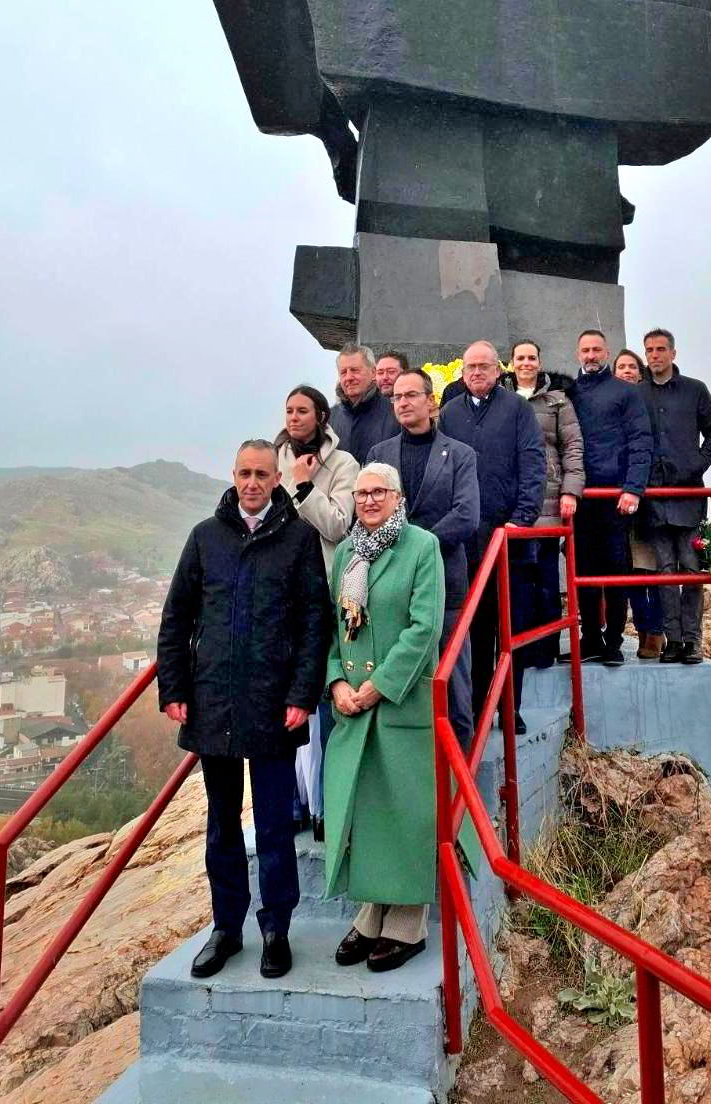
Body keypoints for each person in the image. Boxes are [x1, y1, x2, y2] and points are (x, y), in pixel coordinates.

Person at [157, 440, 330, 981]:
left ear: (277, 478)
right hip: (213, 704)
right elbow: (177, 617)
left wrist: (303, 695)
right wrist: (174, 688)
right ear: (232, 476)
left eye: (262, 474)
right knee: (221, 826)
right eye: (244, 473)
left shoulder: (298, 539)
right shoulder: (205, 538)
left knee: (276, 825)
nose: (252, 483)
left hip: (274, 707)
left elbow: (313, 624)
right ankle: (226, 928)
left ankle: (276, 928)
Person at [323, 463, 444, 972]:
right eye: (361, 493)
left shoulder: (421, 547)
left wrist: (378, 687)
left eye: (379, 492)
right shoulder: (347, 553)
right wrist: (337, 683)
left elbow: (425, 627)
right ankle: (373, 909)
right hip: (355, 704)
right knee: (368, 814)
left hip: (400, 702)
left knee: (405, 810)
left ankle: (407, 919)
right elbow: (335, 629)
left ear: (397, 497)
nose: (369, 500)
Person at [368, 367, 480, 750]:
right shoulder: (378, 455)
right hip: (391, 590)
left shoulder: (461, 455)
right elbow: (369, 516)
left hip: (446, 588)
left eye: (411, 395)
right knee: (401, 689)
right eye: (397, 396)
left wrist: (418, 546)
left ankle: (458, 782)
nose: (403, 402)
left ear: (431, 401)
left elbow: (467, 515)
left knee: (454, 690)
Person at [437, 340, 546, 730]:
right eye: (471, 367)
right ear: (462, 373)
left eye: (484, 366)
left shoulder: (517, 409)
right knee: (478, 631)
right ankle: (482, 705)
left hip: (509, 538)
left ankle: (509, 705)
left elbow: (534, 464)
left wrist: (523, 518)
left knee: (511, 626)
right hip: (468, 544)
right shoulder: (449, 414)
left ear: (499, 370)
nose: (477, 373)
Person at [274, 385, 359, 838]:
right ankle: (291, 804)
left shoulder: (344, 466)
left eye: (302, 410)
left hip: (324, 591)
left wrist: (306, 487)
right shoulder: (274, 461)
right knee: (285, 700)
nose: (294, 417)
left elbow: (341, 526)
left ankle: (328, 806)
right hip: (281, 594)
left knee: (325, 699)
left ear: (321, 415)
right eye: (288, 410)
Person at [568, 330, 657, 663]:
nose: (591, 355)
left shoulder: (625, 393)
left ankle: (614, 642)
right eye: (585, 350)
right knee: (585, 572)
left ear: (606, 353)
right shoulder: (571, 392)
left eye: (596, 350)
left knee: (616, 571)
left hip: (615, 499)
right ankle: (590, 637)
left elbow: (640, 442)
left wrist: (634, 488)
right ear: (577, 354)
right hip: (579, 498)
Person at [638, 328, 711, 666]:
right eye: (650, 350)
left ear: (673, 353)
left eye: (661, 349)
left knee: (690, 571)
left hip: (688, 497)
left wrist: (695, 466)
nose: (655, 355)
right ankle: (671, 640)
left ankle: (692, 641)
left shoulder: (695, 390)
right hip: (653, 497)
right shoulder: (638, 394)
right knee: (664, 572)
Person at [502, 341, 584, 668]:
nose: (526, 363)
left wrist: (571, 491)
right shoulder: (501, 400)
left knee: (547, 582)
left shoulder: (558, 401)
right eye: (520, 358)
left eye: (531, 357)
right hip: (513, 506)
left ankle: (546, 648)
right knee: (516, 585)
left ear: (539, 362)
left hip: (548, 506)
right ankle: (517, 649)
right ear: (510, 363)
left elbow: (573, 447)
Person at [330, 343, 399, 464]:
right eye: (343, 372)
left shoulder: (395, 414)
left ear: (373, 373)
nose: (349, 378)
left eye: (355, 370)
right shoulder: (330, 418)